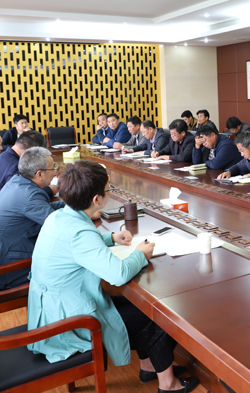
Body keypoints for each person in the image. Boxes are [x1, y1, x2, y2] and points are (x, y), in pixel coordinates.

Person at [27, 161, 198, 392]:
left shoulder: (59, 216)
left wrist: (110, 238)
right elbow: (118, 274)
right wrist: (140, 254)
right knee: (157, 316)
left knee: (137, 307)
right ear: (96, 199)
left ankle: (149, 367)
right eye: (108, 189)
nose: (110, 192)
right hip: (69, 322)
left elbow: (77, 246)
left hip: (56, 309)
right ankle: (168, 385)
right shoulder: (79, 232)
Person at [0, 147, 65, 289]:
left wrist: (75, 206)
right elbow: (58, 226)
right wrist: (85, 214)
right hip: (8, 270)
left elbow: (45, 209)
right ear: (39, 174)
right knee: (69, 267)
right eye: (53, 168)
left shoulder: (17, 182)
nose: (55, 173)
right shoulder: (30, 195)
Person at [0, 130, 55, 230]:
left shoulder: (3, 157)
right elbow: (24, 197)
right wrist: (50, 190)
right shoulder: (15, 167)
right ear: (31, 151)